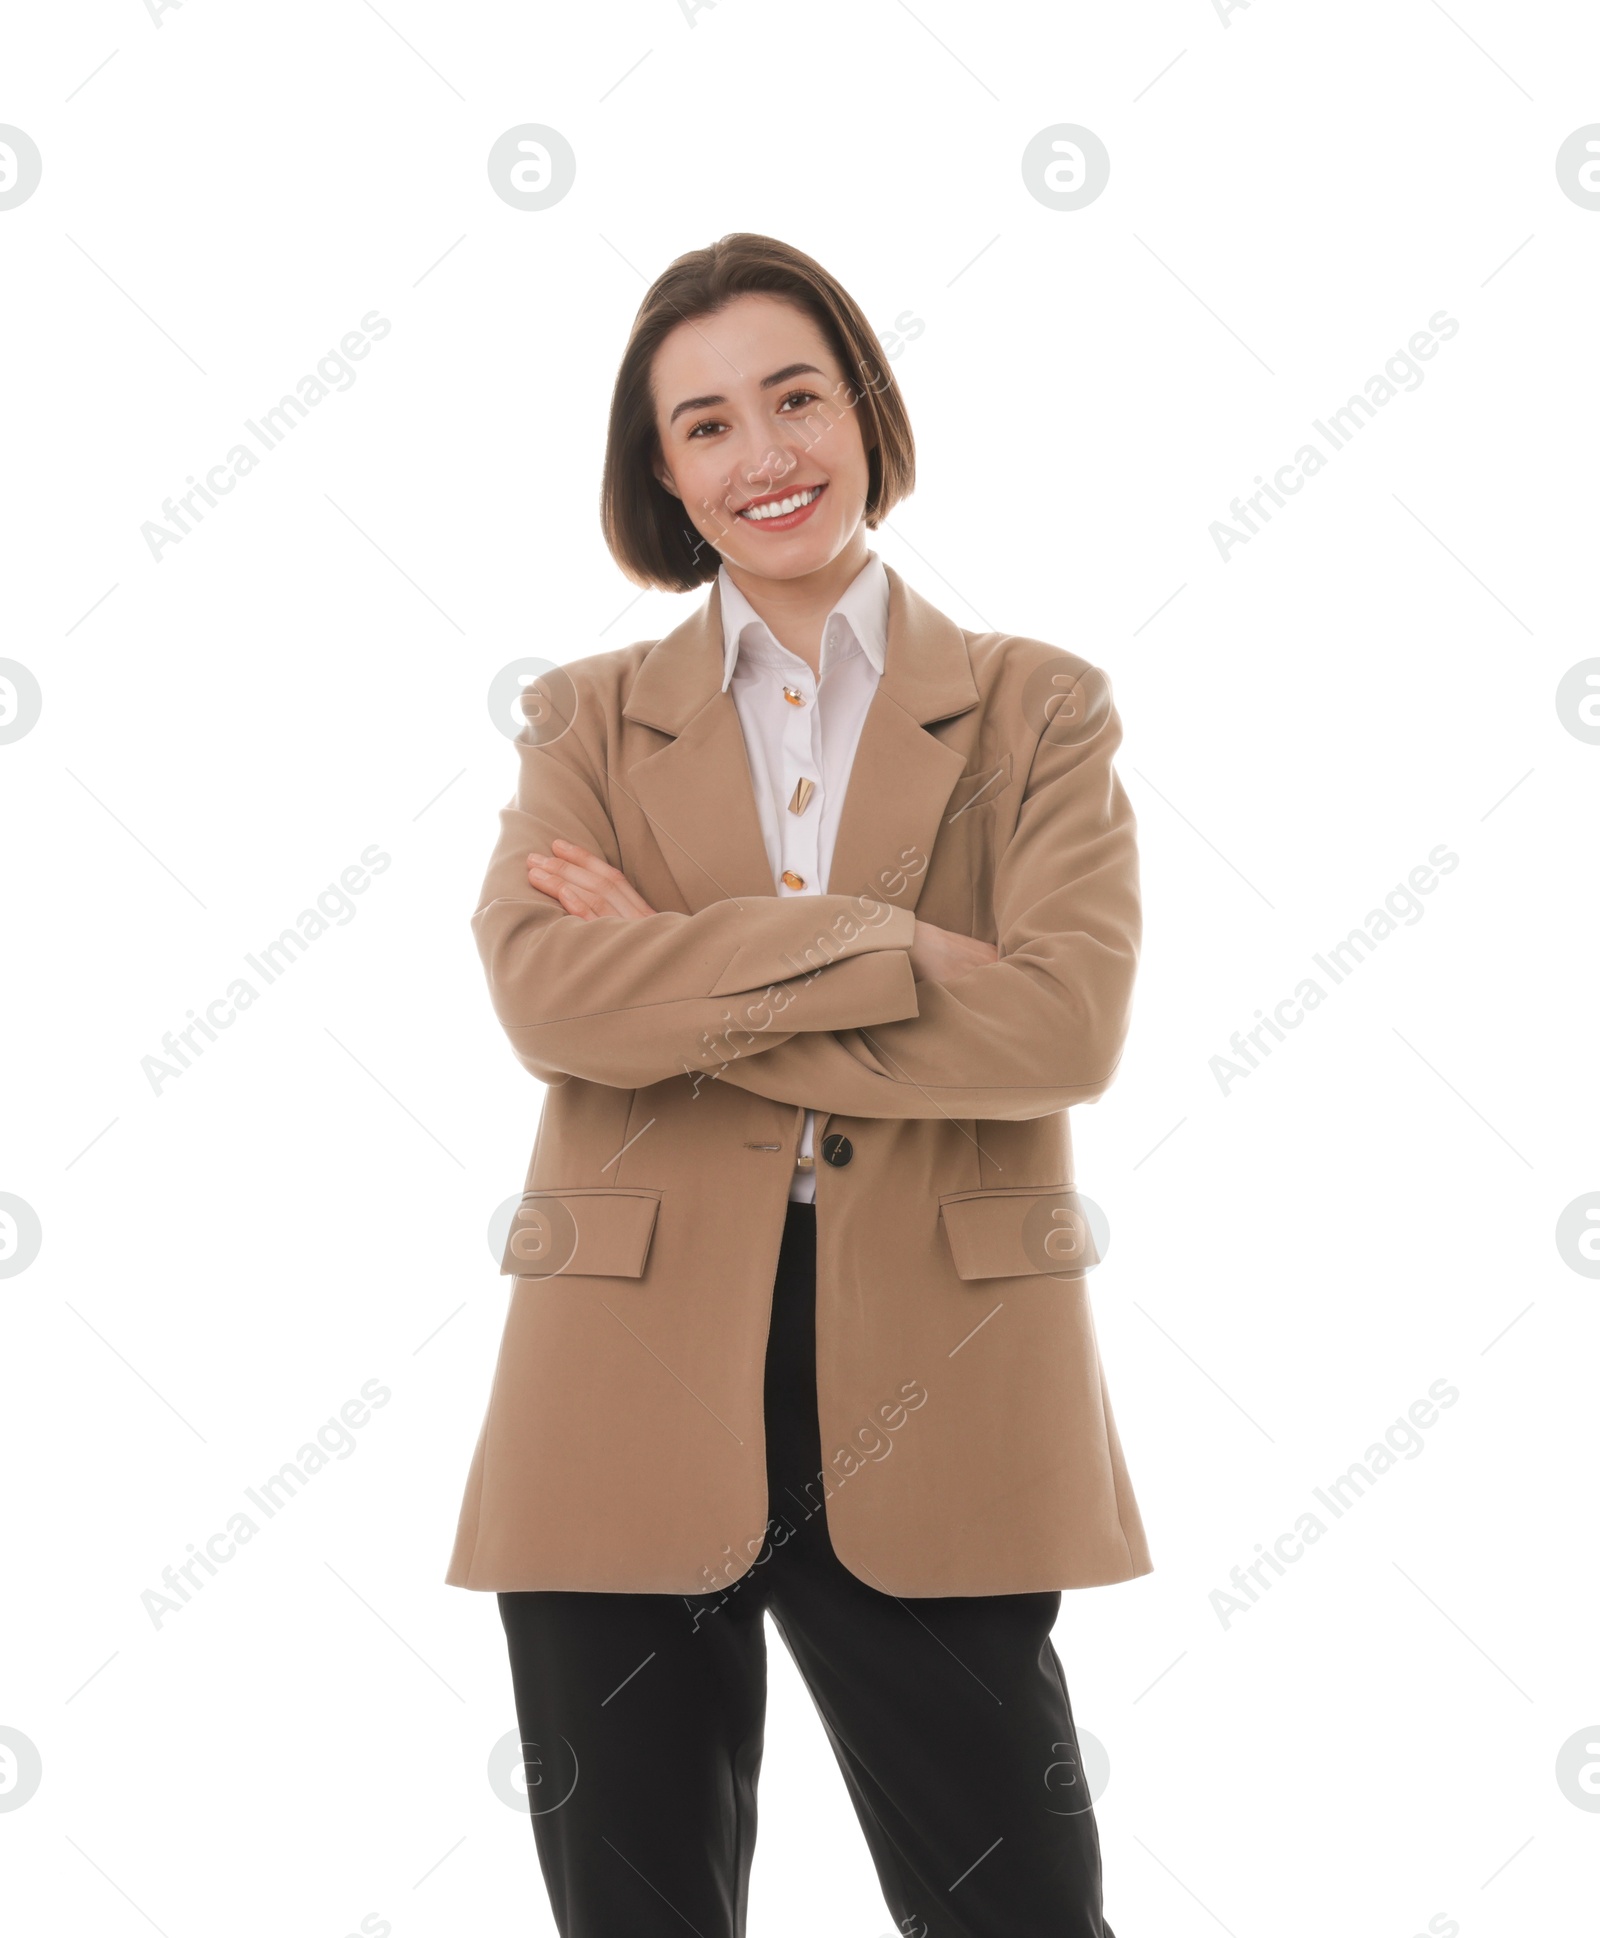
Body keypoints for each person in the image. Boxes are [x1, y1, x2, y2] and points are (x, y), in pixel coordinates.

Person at [446, 231, 1151, 1938]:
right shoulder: (587, 720)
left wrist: (698, 951)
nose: (761, 457)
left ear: (863, 410)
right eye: (704, 425)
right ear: (664, 473)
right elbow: (550, 997)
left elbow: (1062, 1030)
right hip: (616, 1370)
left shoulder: (1035, 708)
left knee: (1022, 1912)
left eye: (793, 398)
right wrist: (896, 949)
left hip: (941, 1360)